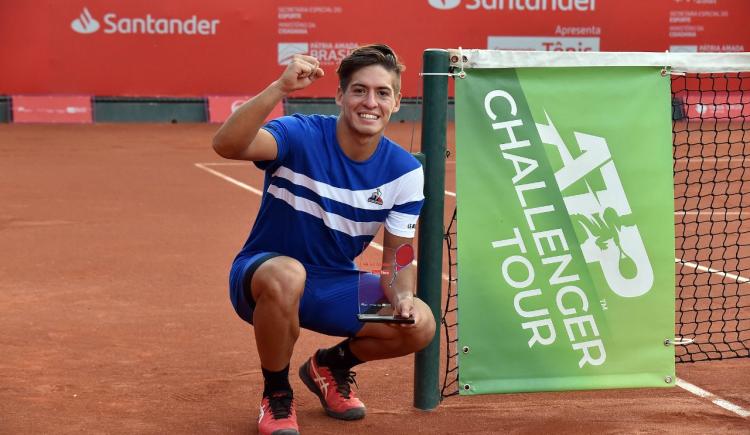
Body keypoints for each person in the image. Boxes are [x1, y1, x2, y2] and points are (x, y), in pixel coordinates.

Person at [212, 44, 436, 435]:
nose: (371, 102)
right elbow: (226, 145)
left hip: (333, 287)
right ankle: (277, 395)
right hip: (263, 276)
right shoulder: (299, 135)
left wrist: (401, 298)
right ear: (340, 96)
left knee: (421, 325)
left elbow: (398, 260)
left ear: (397, 102)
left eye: (383, 93)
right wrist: (279, 89)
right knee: (287, 273)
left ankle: (330, 365)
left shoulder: (404, 172)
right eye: (359, 90)